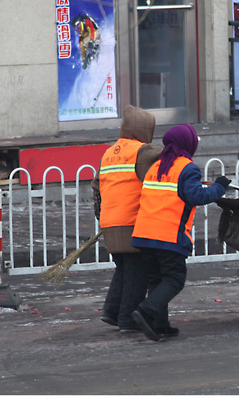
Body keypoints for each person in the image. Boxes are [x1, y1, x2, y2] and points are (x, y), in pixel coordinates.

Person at [131, 124, 230, 341]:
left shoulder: (155, 166)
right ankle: (146, 311)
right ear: (188, 144)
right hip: (167, 236)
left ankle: (159, 325)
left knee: (156, 280)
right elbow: (196, 196)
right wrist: (219, 187)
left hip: (145, 234)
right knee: (174, 279)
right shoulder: (187, 168)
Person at [92, 105, 162, 333]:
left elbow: (97, 187)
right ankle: (126, 320)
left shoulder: (109, 153)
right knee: (137, 272)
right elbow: (165, 158)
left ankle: (111, 311)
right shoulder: (143, 151)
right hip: (131, 222)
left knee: (123, 268)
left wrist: (102, 217)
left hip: (110, 221)